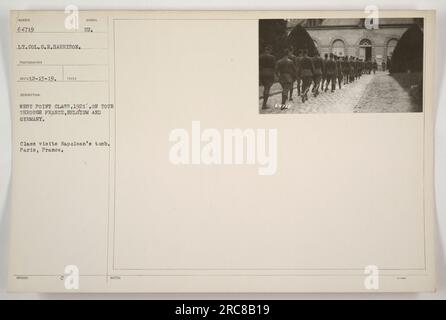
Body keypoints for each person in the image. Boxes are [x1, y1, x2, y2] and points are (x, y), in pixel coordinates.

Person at [259, 44, 276, 109]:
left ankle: (264, 103)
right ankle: (264, 105)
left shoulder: (260, 56)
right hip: (269, 73)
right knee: (267, 88)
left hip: (262, 73)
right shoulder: (272, 57)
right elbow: (274, 66)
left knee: (265, 87)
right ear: (269, 50)